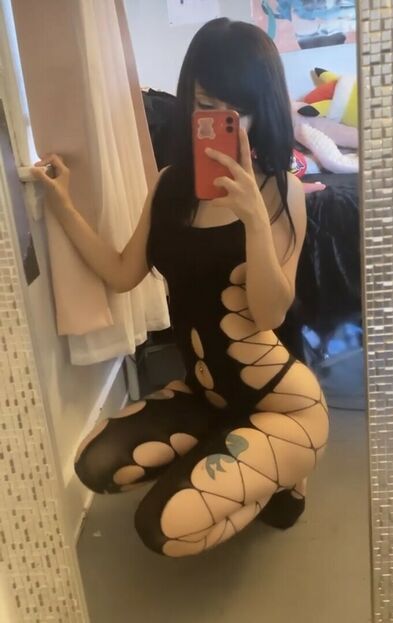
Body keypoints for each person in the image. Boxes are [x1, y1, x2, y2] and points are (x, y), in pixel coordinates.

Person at [31, 18, 329, 558]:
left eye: (237, 111)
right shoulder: (170, 185)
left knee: (164, 530)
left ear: (261, 110)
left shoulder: (281, 191)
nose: (221, 122)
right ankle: (236, 453)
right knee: (95, 465)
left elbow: (268, 314)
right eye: (205, 104)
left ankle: (282, 471)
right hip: (205, 393)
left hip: (282, 405)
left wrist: (254, 220)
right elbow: (122, 273)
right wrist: (63, 204)